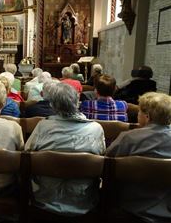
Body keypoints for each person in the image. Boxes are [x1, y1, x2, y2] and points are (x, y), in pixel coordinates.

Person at [25, 83, 105, 216]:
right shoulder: (95, 129)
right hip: (83, 199)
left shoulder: (43, 127)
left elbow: (27, 154)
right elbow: (102, 157)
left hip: (45, 198)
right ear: (77, 101)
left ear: (53, 105)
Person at [106, 92, 171, 222]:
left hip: (130, 208)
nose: (137, 114)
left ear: (147, 117)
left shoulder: (129, 138)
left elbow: (107, 162)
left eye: (139, 111)